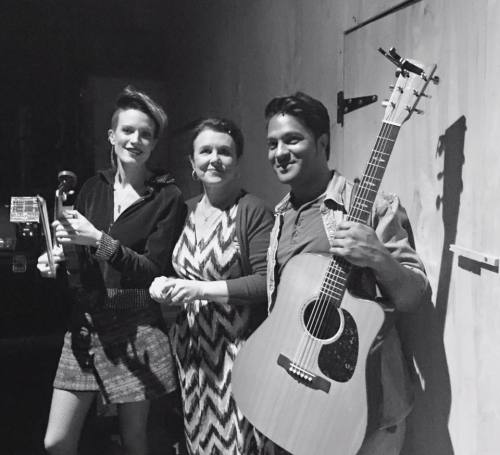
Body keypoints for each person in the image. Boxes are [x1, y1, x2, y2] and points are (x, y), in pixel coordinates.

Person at [264, 92, 431, 455]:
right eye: (272, 143)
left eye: (292, 139)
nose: (279, 152)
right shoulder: (280, 217)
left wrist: (377, 257)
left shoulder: (372, 204)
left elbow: (413, 297)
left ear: (322, 142)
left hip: (369, 406)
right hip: (300, 402)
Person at [37, 85, 186, 455]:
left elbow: (153, 271)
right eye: (128, 130)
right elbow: (81, 261)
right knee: (56, 441)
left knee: (134, 440)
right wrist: (56, 259)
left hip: (136, 321)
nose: (136, 140)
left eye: (146, 134)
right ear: (112, 135)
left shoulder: (167, 197)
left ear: (154, 143)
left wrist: (98, 240)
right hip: (86, 324)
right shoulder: (92, 187)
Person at [149, 118, 274, 454]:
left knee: (242, 442)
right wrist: (161, 285)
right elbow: (160, 266)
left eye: (225, 151)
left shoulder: (254, 211)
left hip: (240, 353)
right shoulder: (182, 211)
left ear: (238, 161)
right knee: (199, 440)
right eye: (205, 151)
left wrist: (200, 290)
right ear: (192, 162)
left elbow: (267, 284)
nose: (214, 158)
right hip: (191, 353)